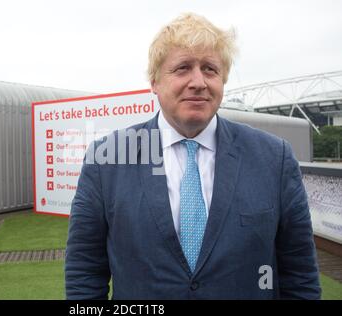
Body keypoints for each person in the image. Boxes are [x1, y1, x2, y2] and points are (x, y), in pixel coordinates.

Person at [65, 12, 321, 299]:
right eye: (183, 68)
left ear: (222, 80)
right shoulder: (107, 160)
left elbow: (300, 274)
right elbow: (85, 271)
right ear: (154, 81)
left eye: (210, 69)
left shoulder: (274, 158)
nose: (198, 81)